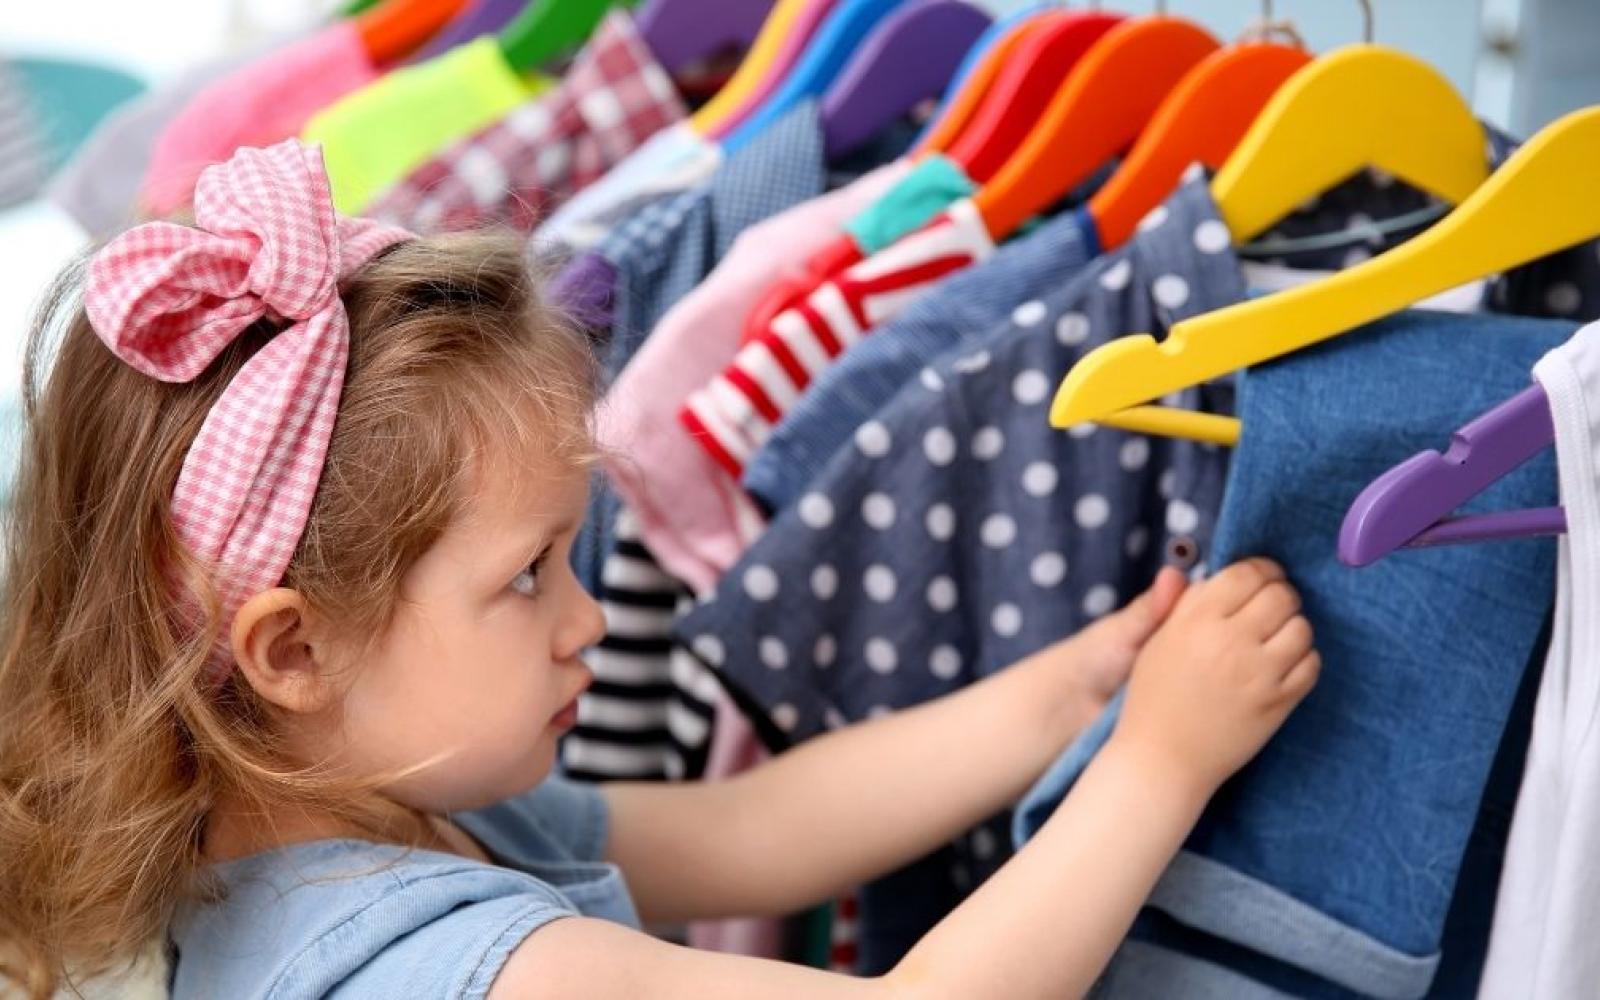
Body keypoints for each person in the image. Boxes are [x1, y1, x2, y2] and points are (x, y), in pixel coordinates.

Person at [0, 140, 1319, 1000]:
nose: (590, 622)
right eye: (528, 578)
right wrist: (1160, 760)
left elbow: (759, 830)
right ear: (295, 650)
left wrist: (1077, 686)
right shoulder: (450, 968)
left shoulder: (371, 823)